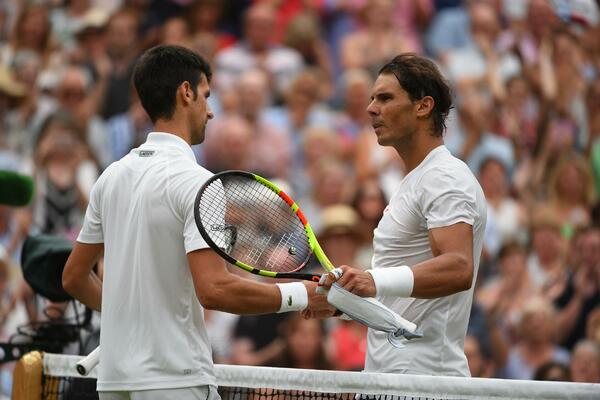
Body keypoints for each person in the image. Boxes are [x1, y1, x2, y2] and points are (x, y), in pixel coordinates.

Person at [62, 45, 331, 400]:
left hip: (114, 381)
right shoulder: (200, 183)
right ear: (185, 93)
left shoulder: (110, 177)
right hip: (175, 379)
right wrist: (303, 295)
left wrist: (126, 313)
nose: (211, 111)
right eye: (206, 96)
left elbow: (74, 276)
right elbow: (215, 289)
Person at [324, 54, 487, 377]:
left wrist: (372, 279)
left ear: (423, 106)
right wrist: (343, 303)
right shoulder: (414, 180)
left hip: (425, 381)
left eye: (385, 98)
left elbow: (458, 267)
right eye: (371, 98)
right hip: (390, 379)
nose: (371, 108)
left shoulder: (444, 177)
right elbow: (398, 305)